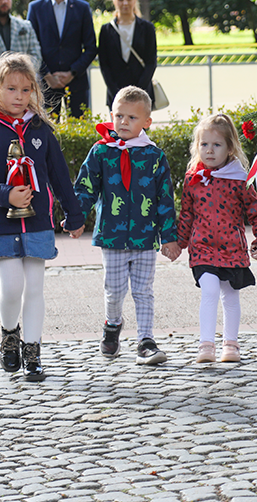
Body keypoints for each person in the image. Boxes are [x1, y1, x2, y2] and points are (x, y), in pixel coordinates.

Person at [0, 52, 85, 382]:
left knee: (34, 288)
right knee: (12, 286)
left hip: (38, 222)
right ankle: (9, 335)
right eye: (11, 89)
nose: (18, 97)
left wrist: (74, 215)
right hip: (2, 223)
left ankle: (32, 352)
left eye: (25, 90)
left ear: (33, 90)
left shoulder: (41, 130)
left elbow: (60, 176)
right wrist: (6, 194)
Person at [73, 86, 180, 365]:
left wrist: (169, 237)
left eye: (131, 118)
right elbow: (85, 188)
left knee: (143, 290)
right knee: (115, 290)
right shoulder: (101, 152)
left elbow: (165, 199)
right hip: (112, 236)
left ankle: (146, 340)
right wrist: (76, 218)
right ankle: (112, 324)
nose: (123, 122)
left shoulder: (154, 156)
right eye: (118, 115)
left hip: (145, 238)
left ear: (147, 122)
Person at [176, 114, 257, 364]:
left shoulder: (240, 179)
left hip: (232, 249)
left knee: (230, 295)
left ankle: (231, 343)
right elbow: (186, 214)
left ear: (230, 149)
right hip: (202, 249)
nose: (209, 150)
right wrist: (178, 242)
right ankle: (206, 344)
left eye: (216, 145)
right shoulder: (193, 179)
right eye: (203, 144)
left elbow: (256, 212)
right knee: (209, 290)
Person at [27, 0, 97, 119]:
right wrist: (47, 75)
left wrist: (72, 72)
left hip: (77, 82)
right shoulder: (35, 8)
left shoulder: (82, 8)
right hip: (46, 83)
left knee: (80, 129)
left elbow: (91, 47)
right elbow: (31, 47)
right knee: (46, 133)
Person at [98, 0, 158, 109]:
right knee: (118, 129)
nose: (125, 3)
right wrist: (116, 92)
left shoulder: (147, 28)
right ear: (114, 0)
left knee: (140, 129)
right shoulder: (106, 30)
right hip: (115, 95)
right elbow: (104, 65)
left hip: (142, 95)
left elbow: (151, 62)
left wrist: (137, 92)